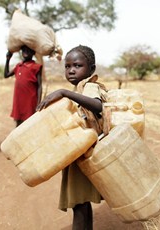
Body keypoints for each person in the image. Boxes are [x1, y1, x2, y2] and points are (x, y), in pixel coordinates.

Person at [37, 45, 108, 230]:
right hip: (77, 153)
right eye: (67, 66)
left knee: (78, 203)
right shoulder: (79, 89)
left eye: (77, 65)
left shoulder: (89, 86)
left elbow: (98, 106)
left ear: (91, 68)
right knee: (81, 202)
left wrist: (64, 92)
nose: (71, 70)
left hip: (84, 154)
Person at [4, 45, 43, 127]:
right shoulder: (19, 66)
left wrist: (39, 102)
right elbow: (6, 75)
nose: (26, 52)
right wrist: (8, 60)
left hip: (30, 100)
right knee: (18, 122)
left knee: (29, 123)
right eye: (24, 50)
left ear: (33, 52)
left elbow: (39, 86)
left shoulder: (36, 67)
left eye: (28, 50)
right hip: (18, 100)